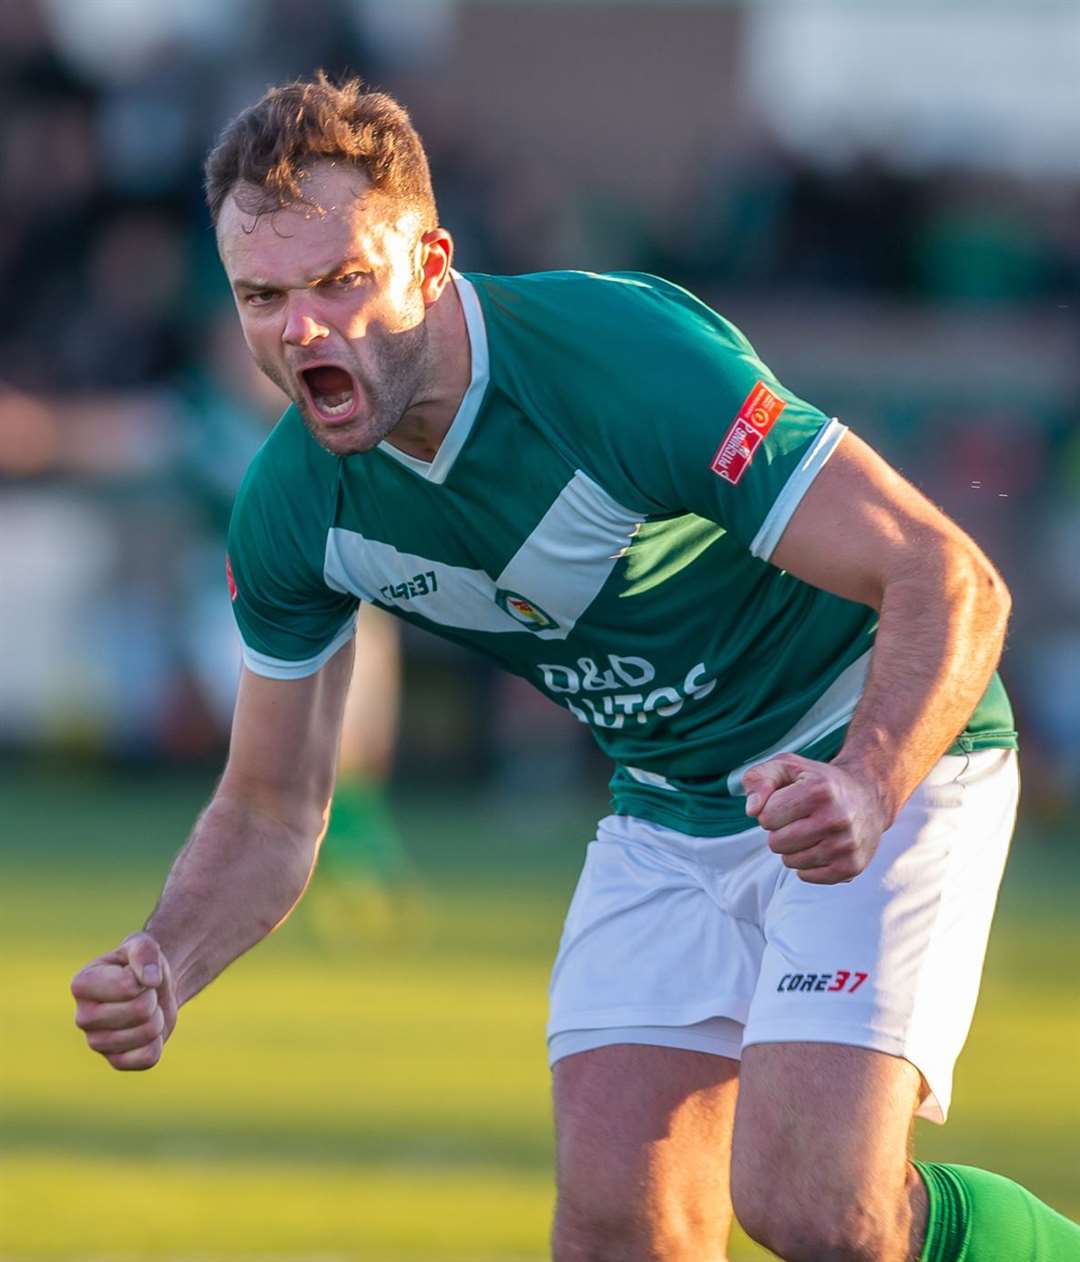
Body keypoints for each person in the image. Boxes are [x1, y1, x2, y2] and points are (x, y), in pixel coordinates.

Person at [70, 75, 1079, 1262]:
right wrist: (166, 958)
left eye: (342, 281)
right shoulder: (293, 507)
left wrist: (864, 779)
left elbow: (950, 577)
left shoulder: (618, 358)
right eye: (263, 296)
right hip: (668, 804)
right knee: (617, 1231)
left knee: (817, 1205)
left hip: (877, 746)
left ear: (432, 260)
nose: (301, 330)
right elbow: (272, 804)